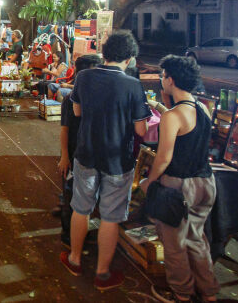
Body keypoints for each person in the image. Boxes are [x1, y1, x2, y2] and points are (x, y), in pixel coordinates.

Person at [61, 30, 151, 291]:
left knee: (82, 208)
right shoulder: (132, 85)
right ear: (130, 57)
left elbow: (76, 111)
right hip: (117, 160)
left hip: (86, 153)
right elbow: (141, 131)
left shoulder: (85, 76)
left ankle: (75, 259)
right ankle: (102, 273)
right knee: (111, 217)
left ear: (106, 52)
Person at [141, 56, 218, 303]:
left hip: (178, 187)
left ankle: (181, 294)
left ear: (170, 79)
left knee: (174, 246)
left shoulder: (172, 117)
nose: (161, 80)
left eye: (163, 76)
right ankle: (208, 293)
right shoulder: (202, 108)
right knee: (196, 239)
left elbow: (163, 158)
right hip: (205, 183)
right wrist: (166, 103)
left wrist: (150, 182)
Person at [57, 54, 102, 248]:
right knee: (71, 196)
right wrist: (64, 156)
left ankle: (85, 232)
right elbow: (64, 130)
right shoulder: (71, 98)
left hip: (92, 154)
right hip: (75, 152)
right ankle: (68, 234)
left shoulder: (98, 96)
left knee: (88, 197)